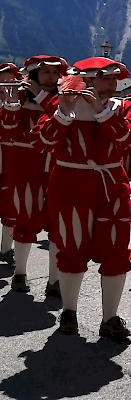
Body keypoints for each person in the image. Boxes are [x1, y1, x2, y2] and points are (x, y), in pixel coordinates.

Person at [34, 57, 131, 340]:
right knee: (70, 247)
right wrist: (64, 113)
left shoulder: (122, 107)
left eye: (114, 77)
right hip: (70, 184)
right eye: (105, 77)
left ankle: (109, 318)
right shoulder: (59, 106)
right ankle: (69, 312)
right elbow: (43, 142)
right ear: (88, 80)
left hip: (112, 186)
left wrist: (102, 113)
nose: (113, 83)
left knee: (116, 251)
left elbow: (129, 141)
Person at [2, 55, 67, 295]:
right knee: (25, 218)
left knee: (57, 225)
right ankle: (20, 273)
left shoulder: (62, 100)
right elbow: (7, 127)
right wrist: (10, 103)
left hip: (55, 167)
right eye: (46, 73)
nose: (51, 77)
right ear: (34, 75)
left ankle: (55, 280)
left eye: (54, 73)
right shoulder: (18, 97)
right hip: (26, 166)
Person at [0, 63, 22, 264]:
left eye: (11, 80)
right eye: (3, 79)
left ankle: (6, 248)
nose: (7, 84)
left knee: (10, 205)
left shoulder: (19, 101)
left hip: (12, 158)